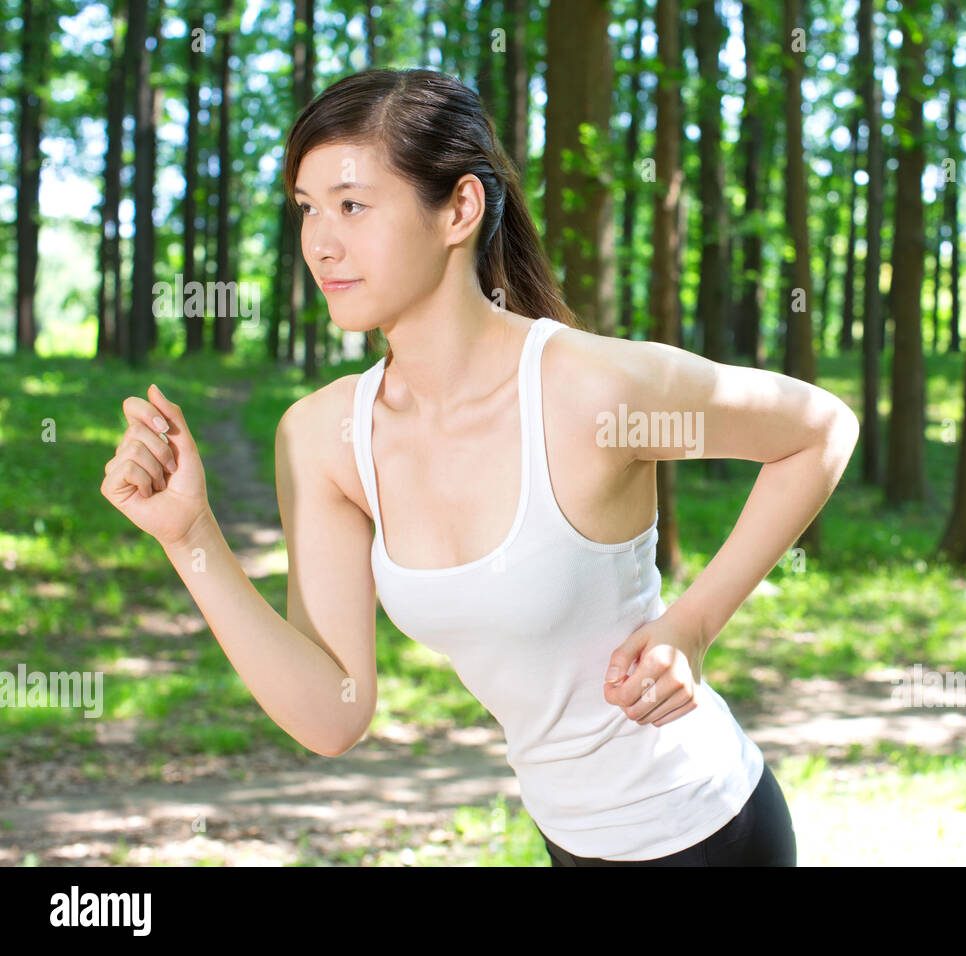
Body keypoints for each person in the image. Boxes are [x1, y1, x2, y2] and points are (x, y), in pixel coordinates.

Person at [100, 68, 858, 866]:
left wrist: (693, 625)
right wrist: (190, 536)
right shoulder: (325, 438)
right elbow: (333, 714)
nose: (320, 241)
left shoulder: (592, 393)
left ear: (459, 209)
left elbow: (819, 431)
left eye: (353, 204)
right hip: (567, 840)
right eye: (307, 208)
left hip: (707, 829)